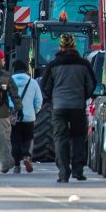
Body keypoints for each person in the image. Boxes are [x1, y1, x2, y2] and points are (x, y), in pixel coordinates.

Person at [41, 34, 96, 182]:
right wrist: (83, 96)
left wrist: (53, 98)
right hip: (77, 106)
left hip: (59, 107)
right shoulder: (84, 64)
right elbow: (92, 84)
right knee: (78, 138)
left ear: (60, 46)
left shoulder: (53, 65)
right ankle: (78, 171)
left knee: (60, 138)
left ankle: (63, 173)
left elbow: (45, 86)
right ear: (74, 45)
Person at [9, 59, 43, 173]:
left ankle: (16, 165)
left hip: (14, 116)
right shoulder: (33, 83)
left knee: (15, 139)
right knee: (28, 138)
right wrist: (34, 111)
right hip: (29, 116)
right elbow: (39, 100)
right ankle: (27, 157)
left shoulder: (10, 81)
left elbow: (7, 98)